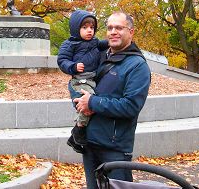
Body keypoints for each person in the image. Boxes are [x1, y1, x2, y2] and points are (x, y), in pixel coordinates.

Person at [73, 12, 151, 189]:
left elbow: (131, 106)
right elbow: (79, 84)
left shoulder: (138, 66)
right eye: (109, 28)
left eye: (119, 28)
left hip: (114, 149)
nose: (113, 32)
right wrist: (80, 102)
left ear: (131, 32)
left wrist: (93, 103)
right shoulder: (98, 56)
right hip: (90, 143)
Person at [57, 10, 108, 154]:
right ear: (76, 28)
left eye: (92, 28)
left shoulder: (95, 43)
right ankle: (78, 129)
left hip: (93, 79)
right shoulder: (70, 44)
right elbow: (62, 60)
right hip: (79, 81)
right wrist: (73, 66)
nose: (89, 31)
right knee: (88, 102)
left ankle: (77, 135)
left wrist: (113, 40)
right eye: (85, 28)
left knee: (96, 102)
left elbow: (103, 45)